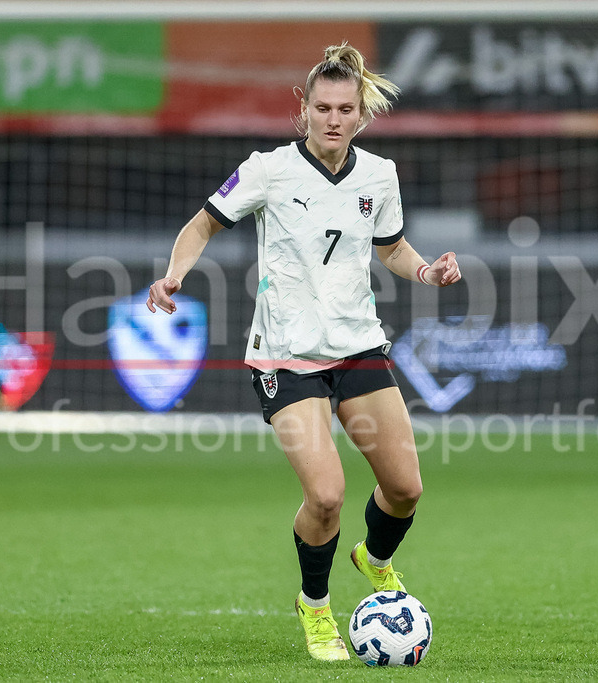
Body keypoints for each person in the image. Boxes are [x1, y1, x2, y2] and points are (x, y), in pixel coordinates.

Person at [146, 43, 461, 661]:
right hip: (286, 357)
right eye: (323, 107)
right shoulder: (268, 169)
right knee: (326, 495)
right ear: (306, 109)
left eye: (346, 108)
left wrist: (427, 274)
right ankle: (316, 607)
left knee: (405, 489)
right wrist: (176, 272)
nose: (334, 119)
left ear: (361, 114)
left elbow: (392, 248)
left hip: (359, 347)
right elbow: (203, 223)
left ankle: (372, 559)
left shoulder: (380, 174)